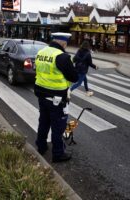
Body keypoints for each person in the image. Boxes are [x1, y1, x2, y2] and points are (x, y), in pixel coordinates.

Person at [34, 32, 78, 162]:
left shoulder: (41, 52)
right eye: (66, 43)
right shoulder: (62, 57)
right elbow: (74, 77)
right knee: (58, 127)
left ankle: (41, 146)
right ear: (63, 43)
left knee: (43, 122)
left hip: (42, 95)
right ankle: (58, 154)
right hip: (56, 99)